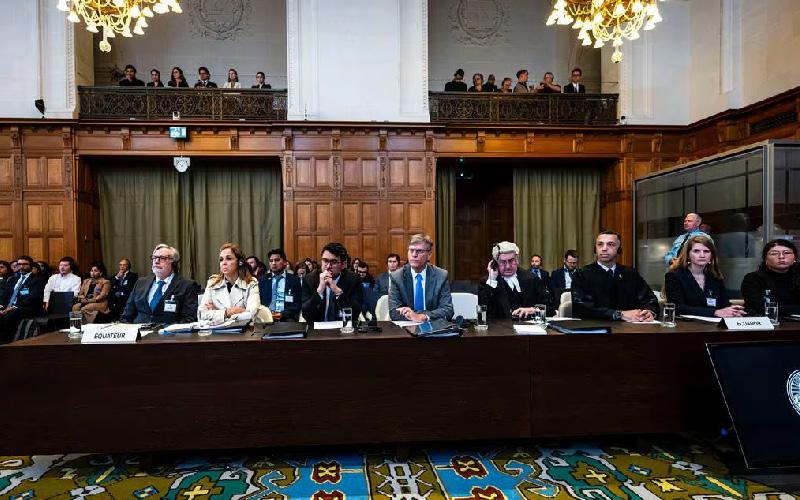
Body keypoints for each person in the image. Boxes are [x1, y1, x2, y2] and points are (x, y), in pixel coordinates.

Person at [571, 231, 658, 321]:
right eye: (600, 244)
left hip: (631, 327)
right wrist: (619, 314)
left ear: (619, 250)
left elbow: (650, 300)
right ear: (595, 249)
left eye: (610, 244)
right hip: (595, 327)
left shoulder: (630, 273)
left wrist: (649, 313)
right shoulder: (581, 274)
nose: (604, 248)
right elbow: (581, 308)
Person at [664, 236, 744, 318]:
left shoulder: (715, 277)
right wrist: (715, 312)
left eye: (706, 251)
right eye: (696, 251)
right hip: (686, 324)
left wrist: (733, 311)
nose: (702, 255)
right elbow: (678, 308)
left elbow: (723, 304)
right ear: (688, 255)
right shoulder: (674, 276)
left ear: (711, 256)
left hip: (714, 323)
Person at [120, 243, 200, 324]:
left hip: (168, 331)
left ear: (174, 262)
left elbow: (189, 319)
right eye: (154, 257)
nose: (156, 261)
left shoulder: (187, 285)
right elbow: (126, 316)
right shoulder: (140, 283)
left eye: (162, 258)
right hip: (138, 330)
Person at [389, 234, 453, 322]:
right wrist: (414, 316)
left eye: (419, 251)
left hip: (433, 327)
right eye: (411, 250)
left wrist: (423, 316)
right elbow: (394, 312)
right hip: (406, 327)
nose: (414, 255)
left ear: (429, 255)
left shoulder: (440, 275)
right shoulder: (397, 277)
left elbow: (448, 310)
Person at [478, 241, 551, 319]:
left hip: (529, 325)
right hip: (500, 326)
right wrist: (492, 280)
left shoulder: (532, 278)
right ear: (495, 263)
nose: (508, 266)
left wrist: (533, 310)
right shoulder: (487, 282)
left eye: (511, 260)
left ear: (517, 260)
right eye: (503, 262)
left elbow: (550, 308)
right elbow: (482, 313)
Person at [199, 243, 261, 324]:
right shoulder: (212, 283)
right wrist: (227, 312)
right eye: (221, 259)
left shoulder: (251, 283)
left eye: (228, 258)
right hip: (217, 331)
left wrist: (216, 314)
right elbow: (201, 314)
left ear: (240, 262)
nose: (224, 263)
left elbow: (252, 314)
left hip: (244, 330)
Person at [301, 242, 362, 323]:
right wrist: (319, 292)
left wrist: (337, 291)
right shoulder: (309, 279)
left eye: (333, 262)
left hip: (343, 327)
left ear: (343, 264)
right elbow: (306, 314)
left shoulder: (353, 279)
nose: (328, 266)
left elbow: (355, 313)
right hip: (316, 327)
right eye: (325, 261)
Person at [741, 239, 800, 316]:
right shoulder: (753, 279)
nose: (781, 257)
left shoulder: (797, 275)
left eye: (787, 253)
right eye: (774, 253)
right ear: (765, 259)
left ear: (795, 257)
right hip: (765, 320)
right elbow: (760, 307)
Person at [0, 256, 45, 342]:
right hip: (9, 307)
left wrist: (14, 307)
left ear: (31, 265)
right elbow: (4, 296)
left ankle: (5, 342)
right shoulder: (12, 280)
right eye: (19, 264)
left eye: (24, 264)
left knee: (9, 315)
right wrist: (1, 307)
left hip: (28, 307)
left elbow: (32, 298)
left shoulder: (37, 280)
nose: (21, 266)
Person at [259, 248, 302, 322]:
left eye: (277, 260)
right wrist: (267, 314)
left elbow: (297, 303)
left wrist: (282, 314)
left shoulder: (294, 280)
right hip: (266, 317)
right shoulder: (263, 280)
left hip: (287, 317)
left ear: (285, 262)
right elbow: (259, 302)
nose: (273, 263)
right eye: (271, 261)